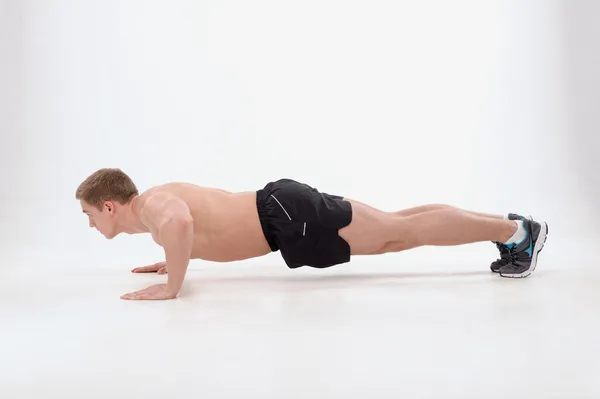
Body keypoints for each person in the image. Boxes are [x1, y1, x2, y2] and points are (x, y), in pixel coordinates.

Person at [76, 168, 548, 300]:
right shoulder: (154, 214)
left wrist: (172, 286)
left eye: (89, 214)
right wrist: (173, 258)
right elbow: (187, 230)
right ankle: (510, 229)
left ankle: (518, 231)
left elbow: (180, 222)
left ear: (110, 205)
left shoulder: (156, 204)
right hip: (284, 213)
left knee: (397, 234)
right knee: (397, 227)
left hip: (284, 216)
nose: (91, 222)